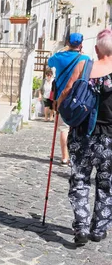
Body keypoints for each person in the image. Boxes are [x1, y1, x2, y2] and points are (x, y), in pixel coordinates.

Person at [58, 29, 112, 246]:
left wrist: (58, 106)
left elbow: (67, 91)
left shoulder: (84, 66)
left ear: (97, 49)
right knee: (107, 184)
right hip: (110, 139)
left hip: (82, 136)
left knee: (80, 180)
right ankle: (99, 228)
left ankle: (81, 227)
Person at [48, 33, 90, 165]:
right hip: (80, 98)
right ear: (81, 44)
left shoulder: (59, 56)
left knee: (64, 128)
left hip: (62, 97)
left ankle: (65, 156)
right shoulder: (85, 58)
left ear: (67, 42)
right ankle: (75, 156)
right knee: (77, 128)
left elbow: (49, 62)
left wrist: (63, 49)